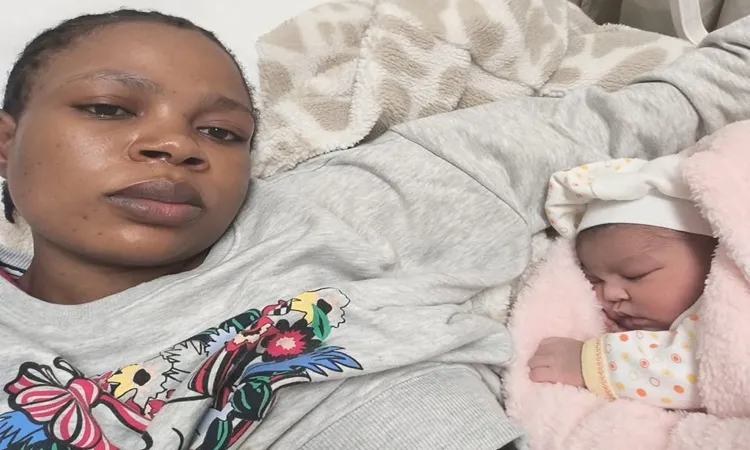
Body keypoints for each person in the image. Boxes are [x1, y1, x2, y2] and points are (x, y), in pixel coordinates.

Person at [0, 8, 749, 450]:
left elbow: (675, 102)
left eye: (222, 132)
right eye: (108, 109)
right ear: (7, 142)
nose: (176, 145)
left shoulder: (347, 206)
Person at [528, 154, 716, 410]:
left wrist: (588, 362)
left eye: (635, 274)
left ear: (715, 251)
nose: (610, 294)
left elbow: (706, 370)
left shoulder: (728, 301)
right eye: (594, 280)